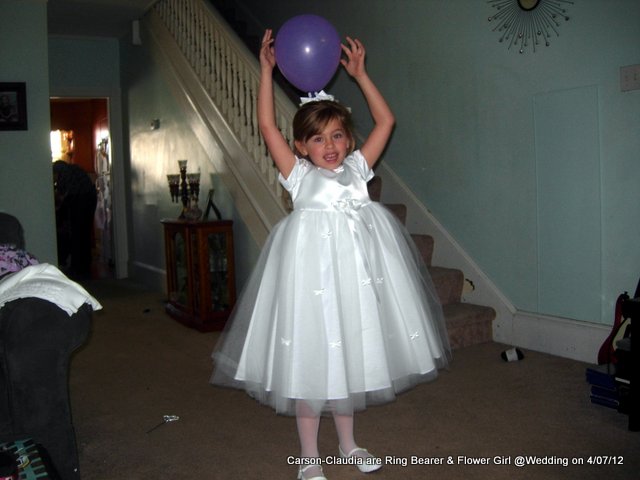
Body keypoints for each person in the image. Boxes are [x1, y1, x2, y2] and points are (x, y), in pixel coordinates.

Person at [211, 30, 451, 480]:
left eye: (338, 135)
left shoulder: (358, 169)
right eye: (318, 139)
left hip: (353, 283)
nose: (331, 146)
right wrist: (265, 72)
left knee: (348, 359)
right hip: (310, 282)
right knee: (311, 362)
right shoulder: (298, 176)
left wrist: (360, 77)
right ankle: (308, 456)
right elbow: (266, 126)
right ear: (301, 147)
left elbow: (386, 122)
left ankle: (349, 444)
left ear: (348, 139)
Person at [53, 160, 98, 279]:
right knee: (83, 234)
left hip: (81, 201)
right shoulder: (74, 169)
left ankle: (77, 268)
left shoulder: (64, 175)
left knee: (77, 235)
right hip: (89, 199)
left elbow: (62, 196)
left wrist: (59, 208)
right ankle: (83, 267)